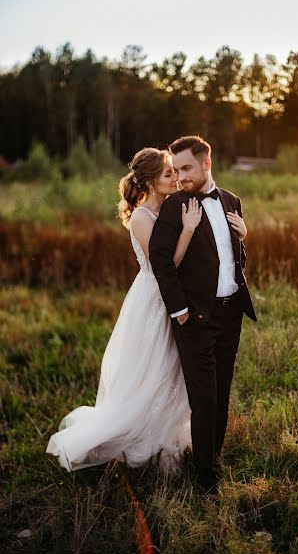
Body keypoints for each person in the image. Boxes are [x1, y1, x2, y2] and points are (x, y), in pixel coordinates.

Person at [46, 147, 202, 472]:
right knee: (152, 369)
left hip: (173, 296)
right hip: (153, 299)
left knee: (172, 368)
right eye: (168, 173)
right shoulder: (143, 218)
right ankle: (141, 442)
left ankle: (167, 436)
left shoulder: (170, 207)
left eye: (175, 171)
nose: (175, 177)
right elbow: (164, 267)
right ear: (150, 180)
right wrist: (187, 230)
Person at [149, 135, 257, 496]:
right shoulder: (174, 206)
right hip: (194, 319)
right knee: (204, 398)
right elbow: (161, 262)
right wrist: (179, 311)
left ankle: (214, 458)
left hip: (230, 314)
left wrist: (244, 237)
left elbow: (230, 259)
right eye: (176, 170)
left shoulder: (231, 201)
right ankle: (206, 481)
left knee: (222, 390)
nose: (180, 177)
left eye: (187, 168)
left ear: (206, 164)